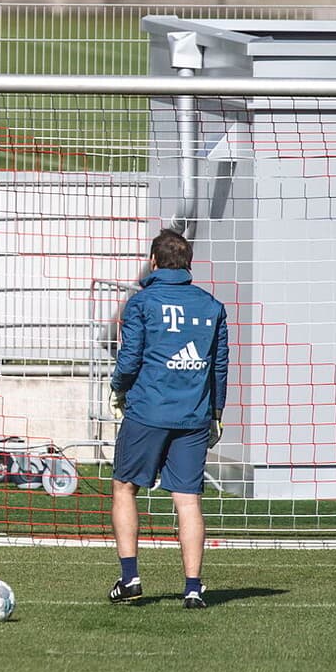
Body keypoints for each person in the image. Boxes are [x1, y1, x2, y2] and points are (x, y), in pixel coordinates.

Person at [107, 228, 229, 609]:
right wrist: (216, 413)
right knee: (188, 500)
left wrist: (118, 388)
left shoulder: (143, 302)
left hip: (148, 410)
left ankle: (130, 579)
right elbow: (220, 366)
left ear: (154, 262)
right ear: (188, 265)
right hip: (194, 414)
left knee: (125, 488)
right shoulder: (212, 306)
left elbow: (129, 359)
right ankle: (192, 587)